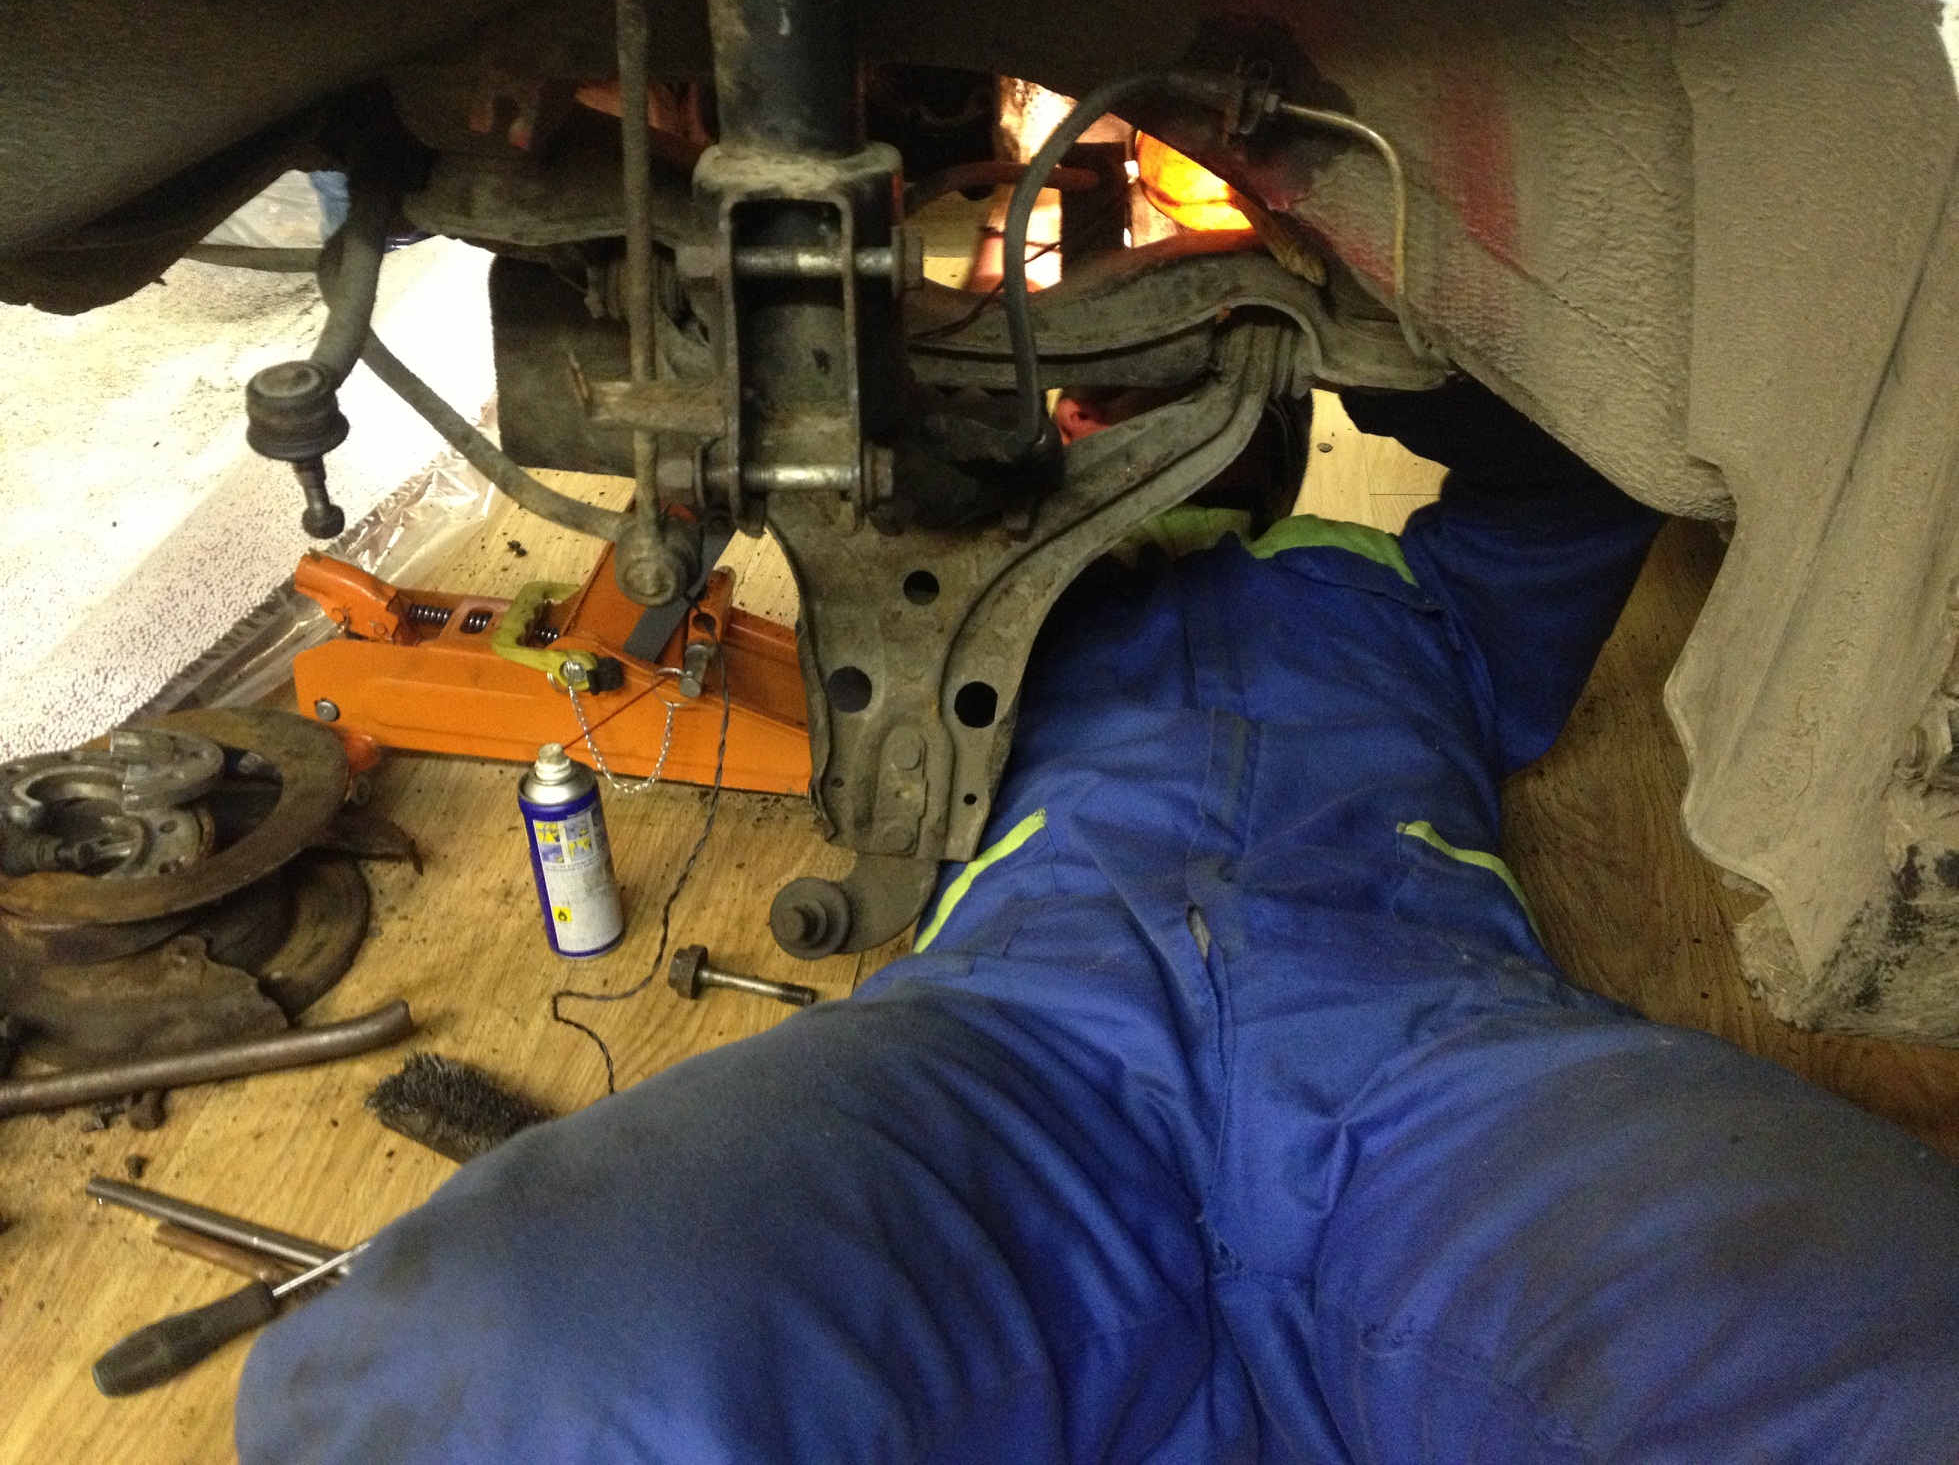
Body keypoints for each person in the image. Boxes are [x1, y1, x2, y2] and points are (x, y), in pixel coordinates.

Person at [237, 382, 1959, 1462]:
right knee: (498, 1354)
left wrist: (1443, 350)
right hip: (1015, 1064)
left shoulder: (1415, 588)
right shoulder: (990, 614)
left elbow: (1588, 471)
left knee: (1890, 1354)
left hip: (1434, 1068)